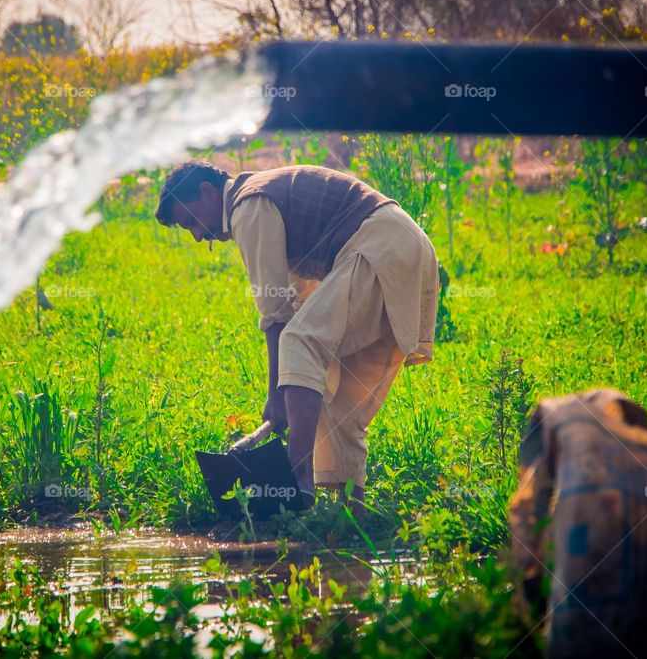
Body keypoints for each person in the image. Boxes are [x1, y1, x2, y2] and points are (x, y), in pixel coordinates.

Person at [155, 161, 439, 510]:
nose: (198, 235)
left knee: (298, 344)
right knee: (335, 393)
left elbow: (276, 316)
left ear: (208, 192)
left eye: (191, 221)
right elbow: (297, 301)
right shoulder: (260, 198)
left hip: (380, 246)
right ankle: (349, 511)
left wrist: (276, 394)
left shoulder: (248, 205)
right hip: (406, 248)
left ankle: (297, 478)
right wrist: (290, 389)